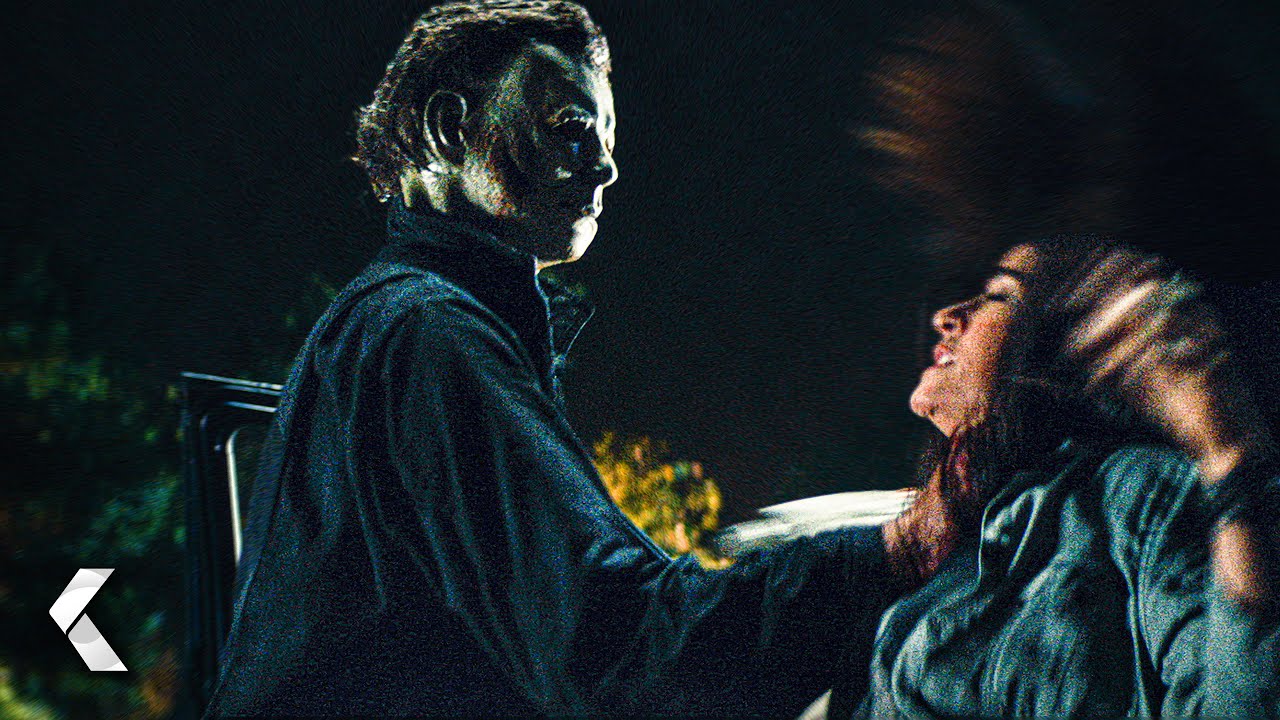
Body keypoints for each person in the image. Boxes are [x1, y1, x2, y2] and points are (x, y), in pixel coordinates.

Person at [202, 2, 957, 717]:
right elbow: (622, 654)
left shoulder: (387, 325)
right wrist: (898, 548)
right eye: (573, 129)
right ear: (447, 130)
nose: (605, 168)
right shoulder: (428, 335)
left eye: (608, 140)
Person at [836, 236, 1279, 718]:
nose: (946, 316)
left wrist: (1226, 449)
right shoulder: (953, 543)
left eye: (999, 295)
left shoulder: (1133, 494)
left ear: (1067, 347)